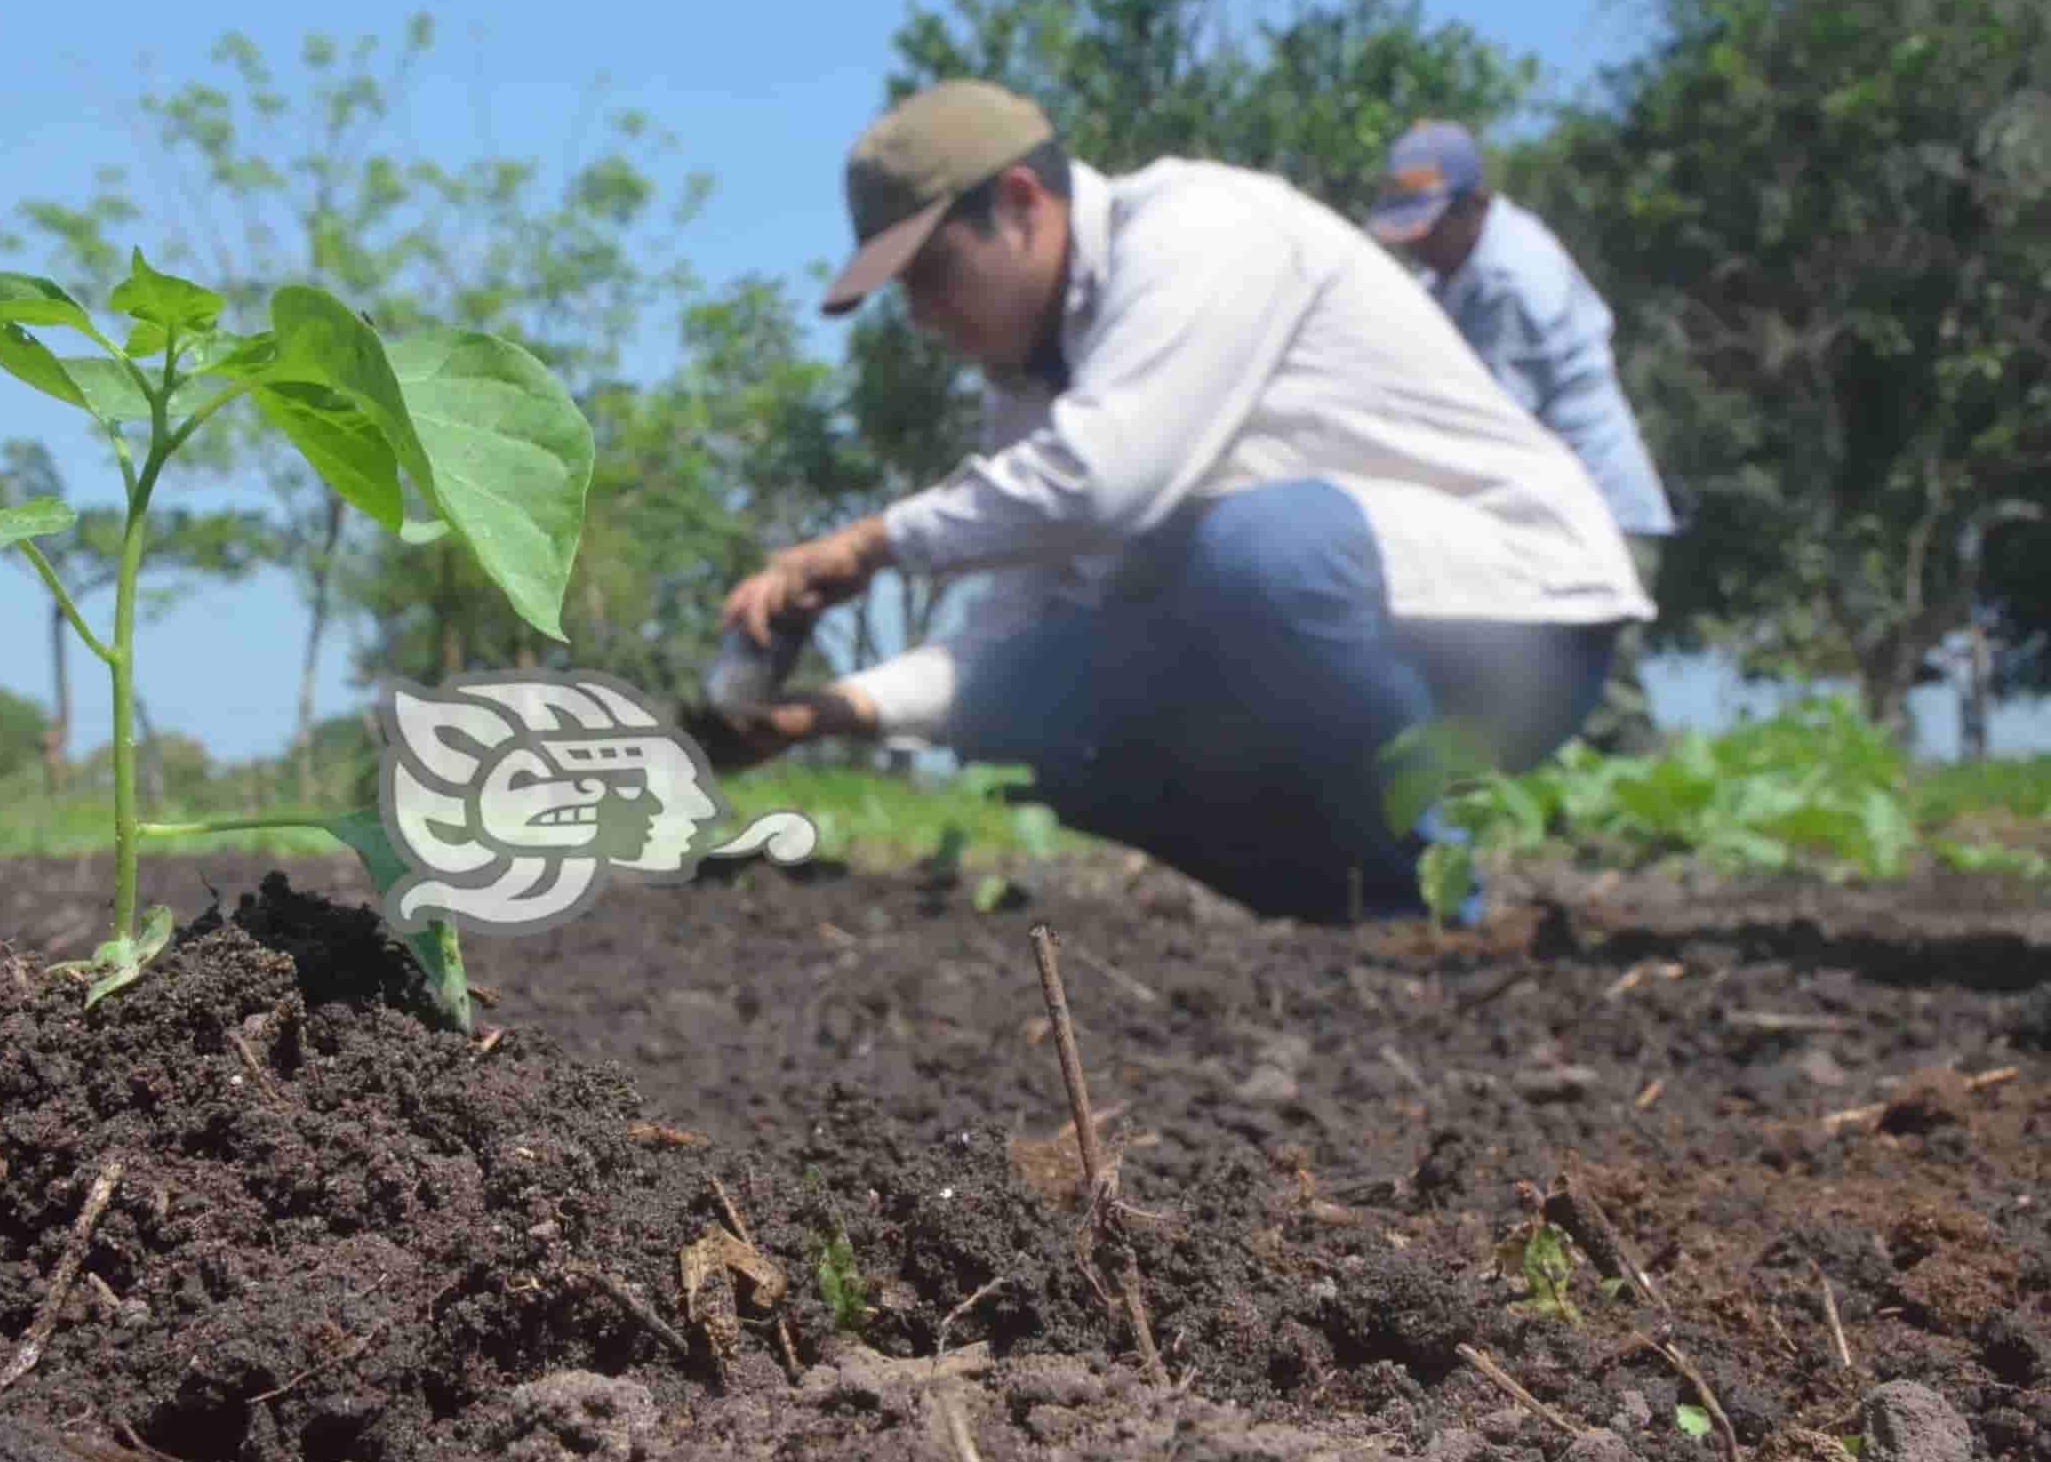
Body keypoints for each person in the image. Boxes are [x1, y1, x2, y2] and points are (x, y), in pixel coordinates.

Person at [705, 79, 1656, 925]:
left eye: (932, 273)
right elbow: (1019, 625)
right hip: (1344, 641)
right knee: (1029, 709)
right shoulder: (1030, 389)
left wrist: (869, 545)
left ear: (1024, 205)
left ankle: (1419, 902)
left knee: (1256, 552)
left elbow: (1106, 479)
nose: (920, 317)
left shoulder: (1203, 230)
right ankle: (1339, 919)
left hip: (1518, 632)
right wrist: (826, 713)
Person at [1365, 120, 1676, 755]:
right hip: (1551, 509)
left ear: (1473, 205)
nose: (1417, 246)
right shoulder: (1456, 272)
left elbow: (1492, 425)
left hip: (1598, 513)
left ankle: (1667, 825)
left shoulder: (1512, 279)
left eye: (1428, 227)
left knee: (1606, 700)